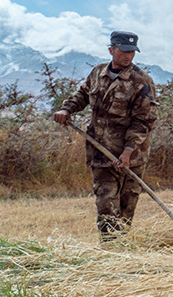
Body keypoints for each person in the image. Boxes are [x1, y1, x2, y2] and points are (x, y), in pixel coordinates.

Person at [54, 30, 158, 240]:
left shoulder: (142, 82)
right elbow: (83, 94)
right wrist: (67, 109)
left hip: (132, 157)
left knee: (126, 210)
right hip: (101, 153)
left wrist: (128, 152)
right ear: (111, 50)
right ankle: (110, 250)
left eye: (132, 51)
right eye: (123, 50)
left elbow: (144, 121)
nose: (128, 55)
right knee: (106, 206)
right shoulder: (97, 73)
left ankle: (123, 251)